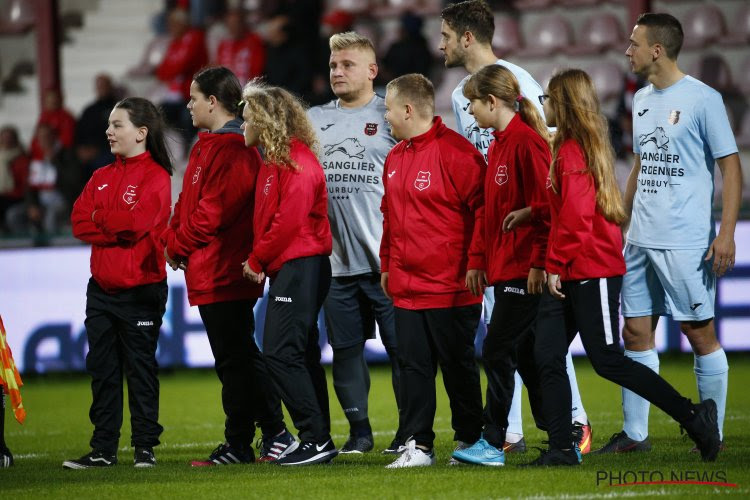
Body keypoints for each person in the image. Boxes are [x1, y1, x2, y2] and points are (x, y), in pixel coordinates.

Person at [528, 68, 721, 466]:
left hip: (590, 269)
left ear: (561, 104)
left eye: (548, 98)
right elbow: (566, 208)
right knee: (544, 354)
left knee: (607, 359)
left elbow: (579, 217)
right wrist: (533, 218)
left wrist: (554, 264)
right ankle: (563, 448)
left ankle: (693, 415)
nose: (542, 104)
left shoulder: (571, 150)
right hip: (572, 267)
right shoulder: (572, 146)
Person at [439, 0, 592, 454]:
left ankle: (573, 422)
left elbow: (546, 152)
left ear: (468, 37)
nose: (440, 43)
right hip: (496, 228)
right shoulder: (459, 94)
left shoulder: (516, 80)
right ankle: (511, 433)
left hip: (528, 234)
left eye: (446, 35)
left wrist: (536, 219)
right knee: (512, 340)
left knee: (536, 341)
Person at [596, 13, 742, 455]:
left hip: (685, 241)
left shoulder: (703, 100)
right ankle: (636, 436)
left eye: (634, 44)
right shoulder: (641, 99)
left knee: (700, 334)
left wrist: (727, 232)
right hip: (640, 238)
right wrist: (623, 214)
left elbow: (730, 167)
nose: (628, 51)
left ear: (656, 50)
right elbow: (642, 163)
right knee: (635, 334)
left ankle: (709, 430)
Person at [161, 67, 296, 466]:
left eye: (194, 97)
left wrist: (177, 245)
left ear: (213, 102)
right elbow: (187, 204)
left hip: (225, 269)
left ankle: (270, 433)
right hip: (208, 267)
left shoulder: (235, 148)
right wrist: (173, 242)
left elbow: (213, 214)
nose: (188, 104)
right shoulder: (209, 145)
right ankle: (243, 441)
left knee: (238, 359)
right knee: (234, 359)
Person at [380, 73, 485, 468]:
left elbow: (483, 213)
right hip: (407, 287)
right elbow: (389, 217)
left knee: (458, 368)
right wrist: (387, 264)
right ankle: (418, 445)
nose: (385, 115)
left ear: (408, 109)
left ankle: (470, 441)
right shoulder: (394, 157)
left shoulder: (458, 154)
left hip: (451, 286)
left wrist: (476, 262)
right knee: (412, 370)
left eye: (388, 108)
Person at [307, 31, 404, 455]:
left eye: (347, 65)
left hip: (388, 261)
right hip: (336, 262)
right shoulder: (311, 119)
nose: (337, 72)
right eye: (333, 65)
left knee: (404, 352)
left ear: (371, 70)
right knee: (345, 351)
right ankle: (359, 432)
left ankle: (410, 431)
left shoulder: (393, 115)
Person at [64, 97, 173, 469]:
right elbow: (79, 222)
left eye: (117, 125)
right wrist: (112, 222)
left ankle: (145, 447)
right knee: (103, 371)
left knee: (140, 370)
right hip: (101, 290)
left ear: (141, 133)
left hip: (141, 288)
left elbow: (137, 224)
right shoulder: (100, 176)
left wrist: (101, 218)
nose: (109, 131)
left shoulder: (157, 175)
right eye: (110, 125)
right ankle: (103, 450)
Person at [450, 65, 550, 467]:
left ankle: (492, 442)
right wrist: (478, 261)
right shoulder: (499, 144)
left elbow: (547, 210)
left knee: (496, 351)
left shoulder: (527, 143)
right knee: (522, 354)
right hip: (504, 267)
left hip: (524, 268)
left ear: (492, 102)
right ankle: (558, 428)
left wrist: (539, 265)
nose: (469, 111)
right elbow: (490, 214)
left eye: (472, 102)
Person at [240, 81, 337, 466]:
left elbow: (287, 222)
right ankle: (318, 437)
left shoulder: (295, 162)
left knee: (279, 353)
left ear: (265, 121)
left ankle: (315, 438)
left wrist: (257, 259)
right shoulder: (277, 161)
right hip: (296, 266)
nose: (242, 123)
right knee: (300, 354)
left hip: (301, 265)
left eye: (247, 117)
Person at [74, 74, 118, 176]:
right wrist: (81, 149)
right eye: (99, 86)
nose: (102, 89)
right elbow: (79, 133)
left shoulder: (119, 108)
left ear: (110, 87)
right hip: (88, 154)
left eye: (104, 85)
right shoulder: (89, 110)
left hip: (108, 152)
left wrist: (97, 150)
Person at [213, 8, 265, 85]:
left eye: (236, 23)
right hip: (226, 91)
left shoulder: (254, 41)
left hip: (248, 90)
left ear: (243, 24)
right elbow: (219, 68)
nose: (233, 27)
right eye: (230, 24)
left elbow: (258, 70)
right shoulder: (223, 45)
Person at [0, 126, 30, 234]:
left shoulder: (22, 158)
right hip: (3, 197)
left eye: (9, 138)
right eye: (4, 138)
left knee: (13, 215)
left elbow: (26, 184)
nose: (6, 141)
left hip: (17, 198)